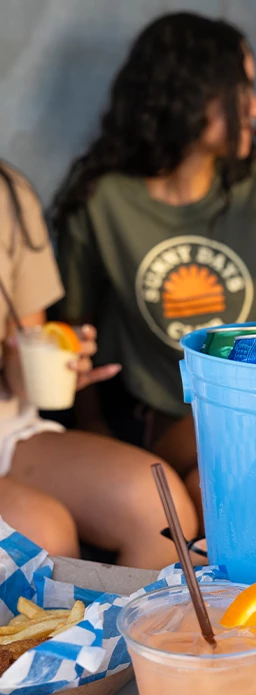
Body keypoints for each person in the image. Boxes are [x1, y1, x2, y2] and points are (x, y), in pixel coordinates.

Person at [52, 12, 256, 519]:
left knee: (211, 488)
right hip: (159, 419)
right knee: (217, 481)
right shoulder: (104, 201)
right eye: (241, 90)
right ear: (186, 95)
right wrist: (94, 431)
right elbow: (73, 328)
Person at [0, 162, 197, 566]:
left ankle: (132, 613)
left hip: (8, 431)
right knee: (42, 536)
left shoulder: (7, 193)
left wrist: (50, 366)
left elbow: (21, 357)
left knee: (160, 508)